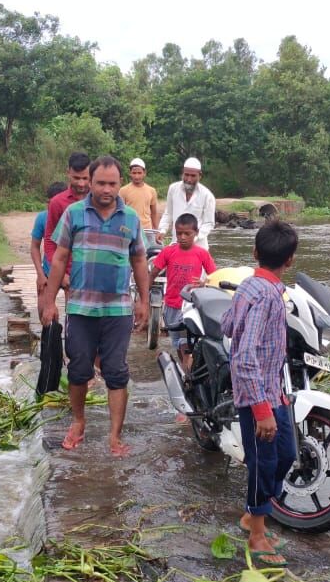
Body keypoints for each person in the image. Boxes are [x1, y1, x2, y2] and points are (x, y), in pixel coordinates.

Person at [39, 156, 151, 458]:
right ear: (90, 181)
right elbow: (60, 258)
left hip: (117, 311)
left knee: (116, 372)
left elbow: (139, 260)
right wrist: (48, 301)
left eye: (112, 184)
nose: (106, 189)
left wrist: (144, 300)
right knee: (78, 370)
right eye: (100, 182)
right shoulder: (74, 213)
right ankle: (78, 422)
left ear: (119, 184)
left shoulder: (129, 219)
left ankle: (115, 436)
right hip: (80, 308)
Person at [220, 220, 299, 567]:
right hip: (259, 397)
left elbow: (226, 326)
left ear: (255, 253)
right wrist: (262, 409)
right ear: (291, 260)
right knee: (263, 463)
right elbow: (245, 355)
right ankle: (256, 536)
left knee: (286, 454)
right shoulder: (267, 296)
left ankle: (254, 518)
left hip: (274, 390)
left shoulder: (249, 287)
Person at [151, 213, 216, 376]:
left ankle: (190, 376)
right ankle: (188, 375)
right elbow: (154, 271)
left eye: (187, 233)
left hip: (190, 306)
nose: (182, 237)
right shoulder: (168, 251)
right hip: (172, 305)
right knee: (178, 345)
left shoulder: (202, 253)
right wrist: (146, 290)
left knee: (186, 344)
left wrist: (204, 283)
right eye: (179, 233)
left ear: (196, 232)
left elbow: (214, 275)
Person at [43, 152, 91, 276]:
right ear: (68, 173)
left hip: (95, 270)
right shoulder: (57, 203)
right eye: (76, 178)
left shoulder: (99, 200)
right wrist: (60, 273)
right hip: (69, 272)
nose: (81, 183)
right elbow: (49, 239)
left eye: (85, 178)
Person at [157, 157, 215, 248]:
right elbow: (168, 213)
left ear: (200, 175)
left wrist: (193, 238)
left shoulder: (207, 195)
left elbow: (209, 223)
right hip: (176, 244)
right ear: (182, 173)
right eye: (186, 175)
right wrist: (162, 230)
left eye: (193, 176)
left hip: (199, 247)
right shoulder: (173, 189)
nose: (189, 179)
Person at [31, 182, 69, 296]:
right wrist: (40, 274)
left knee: (72, 310)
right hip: (48, 272)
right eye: (50, 202)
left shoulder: (73, 217)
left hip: (70, 273)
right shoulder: (42, 218)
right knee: (44, 311)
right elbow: (34, 247)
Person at [119, 158, 159, 239]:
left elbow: (154, 213)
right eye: (134, 173)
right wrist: (123, 231)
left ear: (144, 173)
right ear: (130, 173)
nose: (137, 176)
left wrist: (156, 231)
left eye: (139, 173)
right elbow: (120, 213)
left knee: (147, 251)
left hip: (147, 230)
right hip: (129, 230)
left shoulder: (151, 191)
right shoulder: (123, 191)